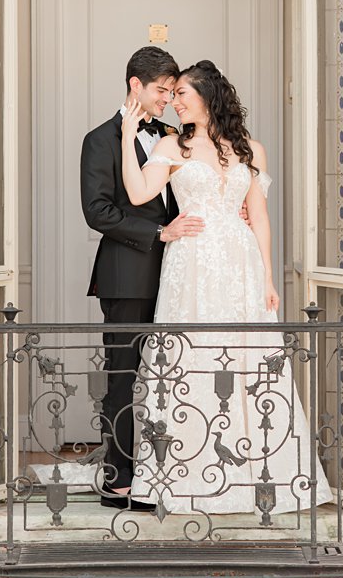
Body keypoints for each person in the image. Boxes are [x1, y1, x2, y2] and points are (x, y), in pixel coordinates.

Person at [119, 59, 325, 517]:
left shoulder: (251, 149)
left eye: (183, 95)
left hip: (240, 264)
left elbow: (260, 217)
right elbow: (137, 195)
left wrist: (269, 277)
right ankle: (187, 476)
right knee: (192, 355)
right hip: (190, 264)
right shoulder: (173, 146)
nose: (174, 102)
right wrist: (127, 137)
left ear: (208, 98)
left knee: (245, 354)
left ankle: (252, 475)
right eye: (171, 96)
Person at [79, 46, 202, 512]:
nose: (168, 100)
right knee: (123, 379)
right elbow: (98, 211)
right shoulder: (99, 139)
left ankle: (167, 474)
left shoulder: (174, 136)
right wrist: (158, 232)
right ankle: (119, 480)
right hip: (126, 277)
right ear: (136, 84)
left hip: (182, 276)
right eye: (162, 91)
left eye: (174, 92)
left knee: (173, 377)